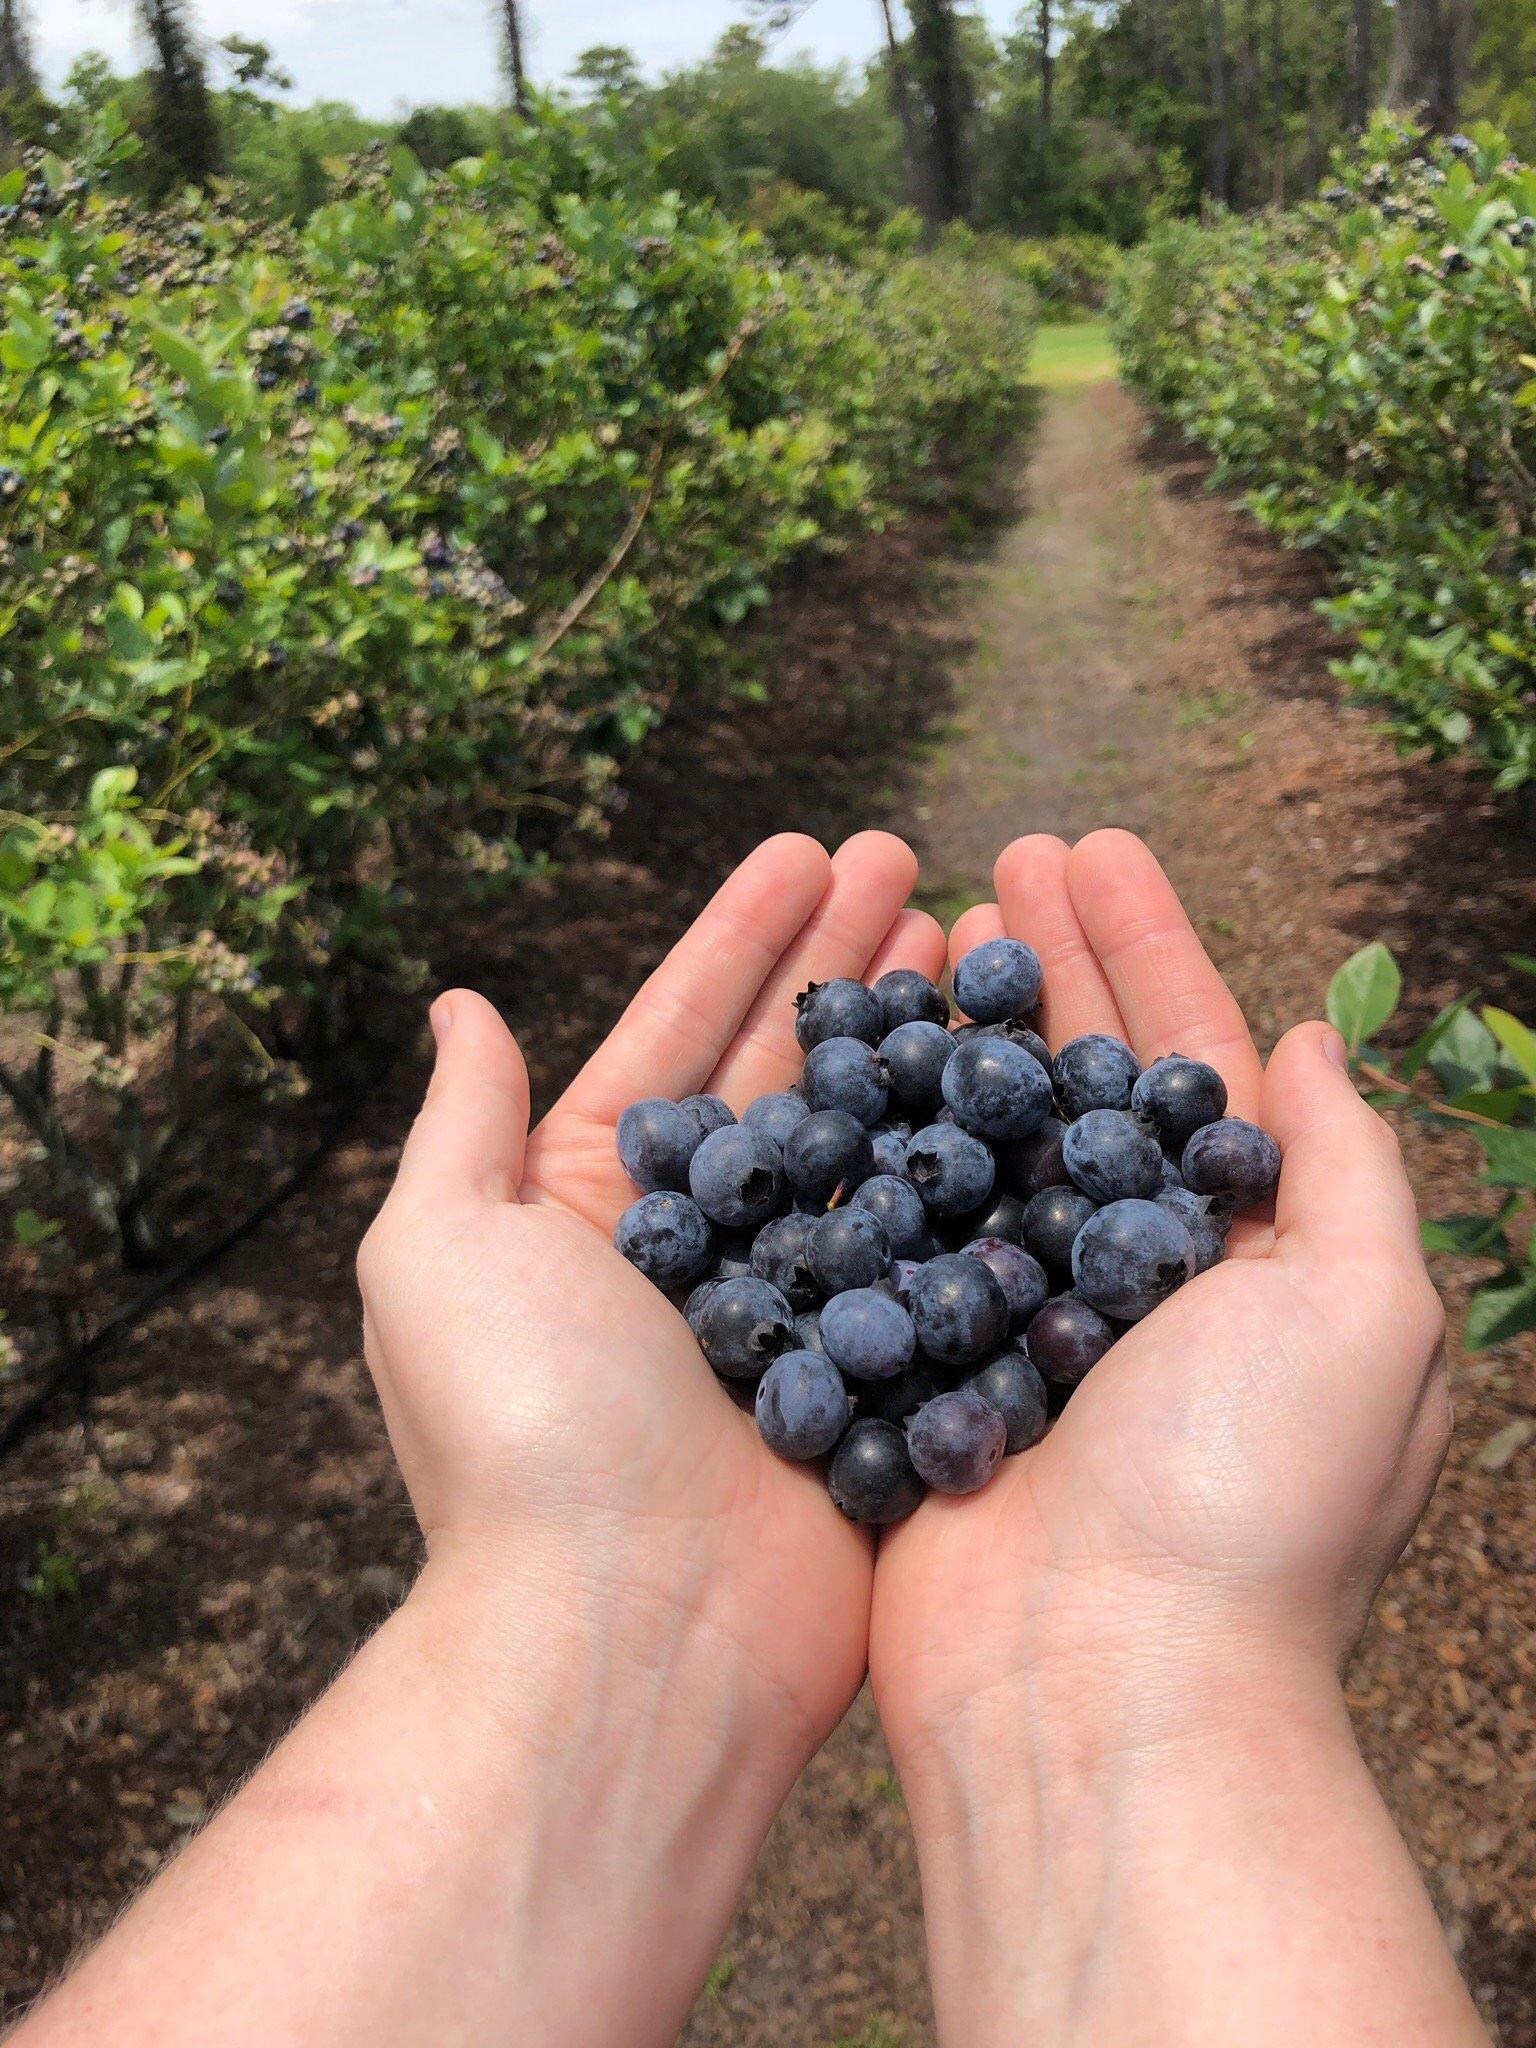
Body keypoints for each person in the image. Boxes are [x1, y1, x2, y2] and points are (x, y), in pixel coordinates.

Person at [11, 829, 1488, 2048]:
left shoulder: (1038, 1219)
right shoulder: (800, 1227)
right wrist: (1177, 1670)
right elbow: (863, 1244)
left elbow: (975, 1235)